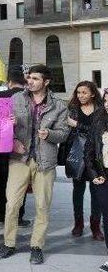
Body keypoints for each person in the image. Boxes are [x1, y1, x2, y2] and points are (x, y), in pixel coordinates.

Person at [0, 64, 69, 265]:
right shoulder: (16, 99)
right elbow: (0, 124)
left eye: (35, 78)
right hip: (19, 159)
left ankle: (37, 246)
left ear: (46, 82)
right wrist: (10, 136)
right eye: (29, 77)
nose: (30, 81)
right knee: (12, 204)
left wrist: (51, 135)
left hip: (45, 161)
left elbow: (64, 132)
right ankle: (8, 243)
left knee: (42, 206)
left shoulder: (60, 105)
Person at [0, 66, 30, 227]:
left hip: (0, 146)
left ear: (9, 82)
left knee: (0, 181)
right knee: (20, 182)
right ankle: (18, 217)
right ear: (24, 82)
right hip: (21, 146)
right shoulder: (27, 97)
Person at [67, 81, 106, 240]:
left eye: (84, 92)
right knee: (78, 190)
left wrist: (77, 125)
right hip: (77, 154)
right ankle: (78, 223)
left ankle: (96, 225)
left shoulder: (101, 110)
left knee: (97, 191)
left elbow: (98, 132)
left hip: (96, 156)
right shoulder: (72, 109)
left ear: (92, 93)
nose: (80, 95)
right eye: (78, 92)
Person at [84, 91, 108, 271]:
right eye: (106, 101)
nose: (107, 104)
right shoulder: (97, 121)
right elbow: (89, 151)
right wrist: (93, 174)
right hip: (103, 176)